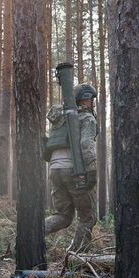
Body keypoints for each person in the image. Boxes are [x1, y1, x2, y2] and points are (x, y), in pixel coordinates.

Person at [43, 83, 98, 246]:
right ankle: (77, 258)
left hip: (54, 170)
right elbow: (87, 143)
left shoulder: (60, 120)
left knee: (64, 216)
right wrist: (92, 169)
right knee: (87, 217)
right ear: (84, 101)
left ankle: (31, 237)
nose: (92, 103)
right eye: (91, 100)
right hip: (74, 172)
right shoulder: (86, 118)